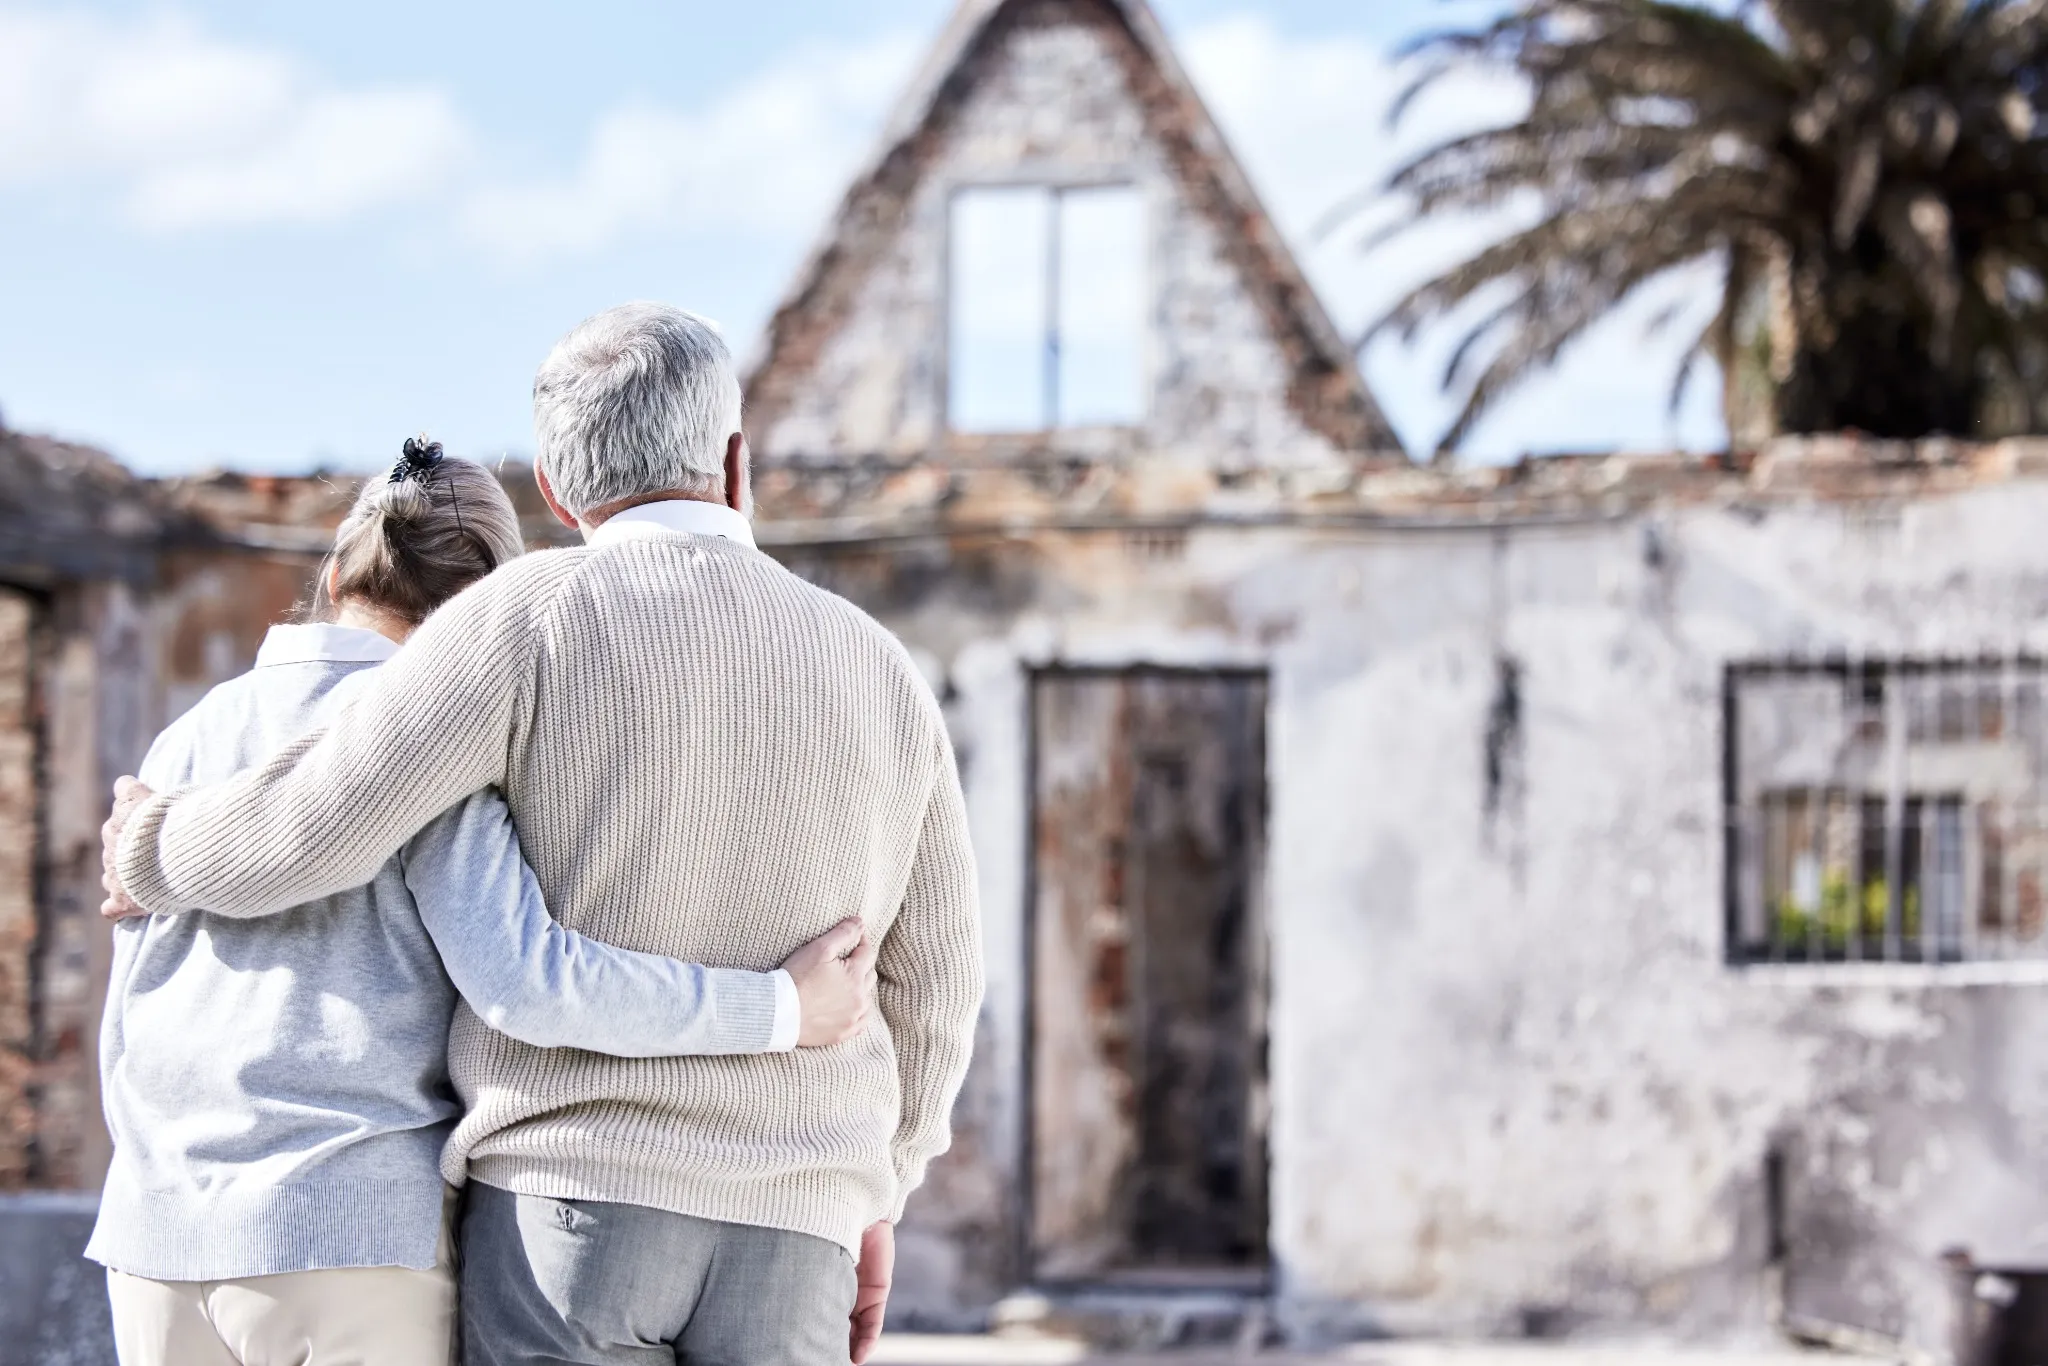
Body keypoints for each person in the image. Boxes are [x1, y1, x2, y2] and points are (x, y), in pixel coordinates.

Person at [103, 303, 986, 1366]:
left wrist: (148, 848)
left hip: (568, 1208)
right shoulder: (881, 667)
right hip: (800, 1220)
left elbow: (315, 822)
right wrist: (880, 1185)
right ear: (736, 462)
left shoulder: (523, 616)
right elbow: (935, 987)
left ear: (559, 492)